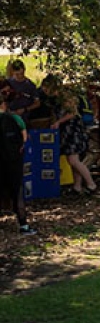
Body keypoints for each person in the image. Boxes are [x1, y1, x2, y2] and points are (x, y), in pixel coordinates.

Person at [0, 89, 33, 234]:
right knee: (17, 192)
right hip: (13, 161)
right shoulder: (15, 119)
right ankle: (23, 224)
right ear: (4, 104)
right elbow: (24, 139)